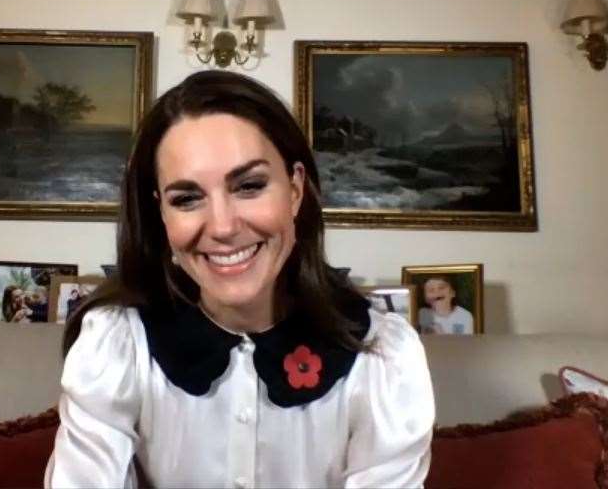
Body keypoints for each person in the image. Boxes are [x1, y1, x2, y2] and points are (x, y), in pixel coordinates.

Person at [45, 71, 432, 487]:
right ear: (161, 212)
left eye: (249, 185)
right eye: (187, 198)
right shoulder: (116, 347)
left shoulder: (383, 358)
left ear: (296, 189)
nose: (223, 227)